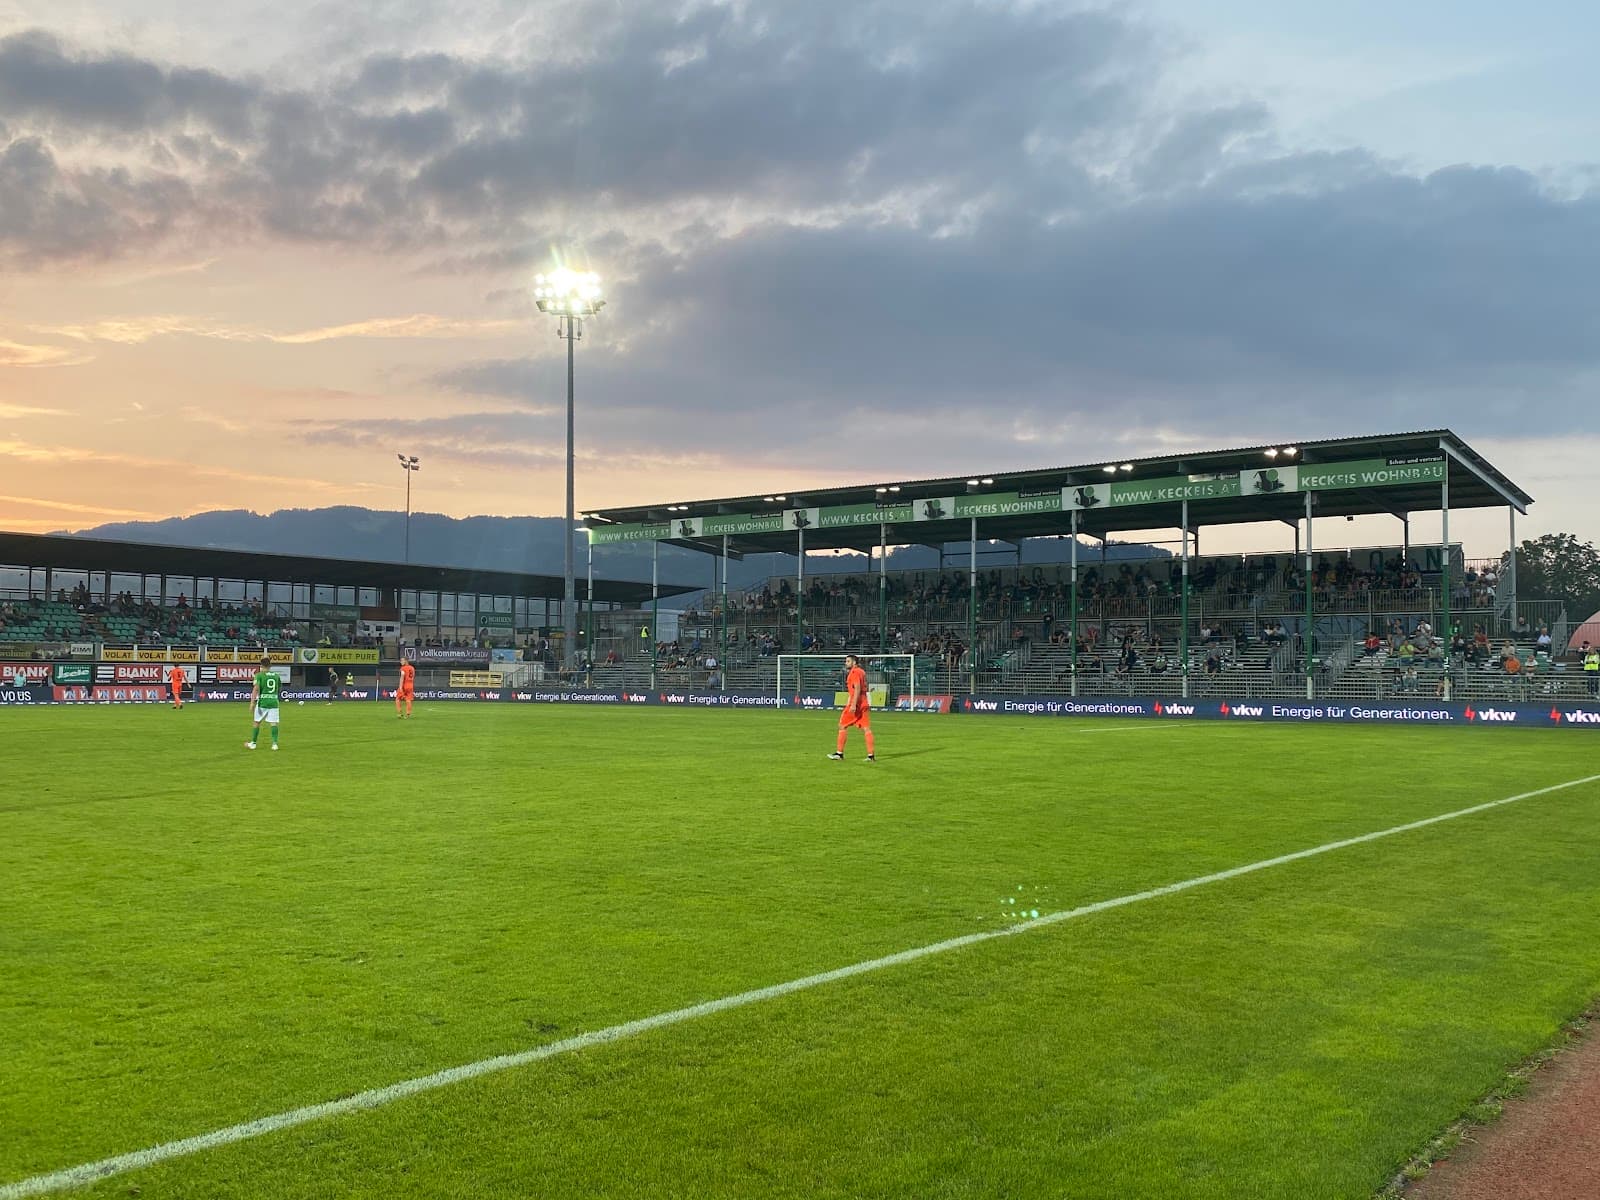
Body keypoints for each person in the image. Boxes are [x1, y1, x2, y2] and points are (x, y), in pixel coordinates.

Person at [827, 652, 875, 762]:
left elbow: (857, 688)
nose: (846, 663)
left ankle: (839, 753)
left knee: (842, 725)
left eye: (848, 661)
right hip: (864, 703)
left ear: (854, 662)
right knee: (866, 728)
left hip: (856, 703)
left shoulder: (854, 672)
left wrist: (853, 704)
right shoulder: (862, 672)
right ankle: (871, 755)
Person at [246, 656, 281, 751]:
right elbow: (279, 689)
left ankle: (253, 743)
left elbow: (256, 689)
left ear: (261, 665)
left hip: (263, 703)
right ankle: (274, 744)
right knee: (273, 723)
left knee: (257, 722)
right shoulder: (276, 676)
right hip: (274, 702)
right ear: (270, 666)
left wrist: (252, 703)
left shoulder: (259, 675)